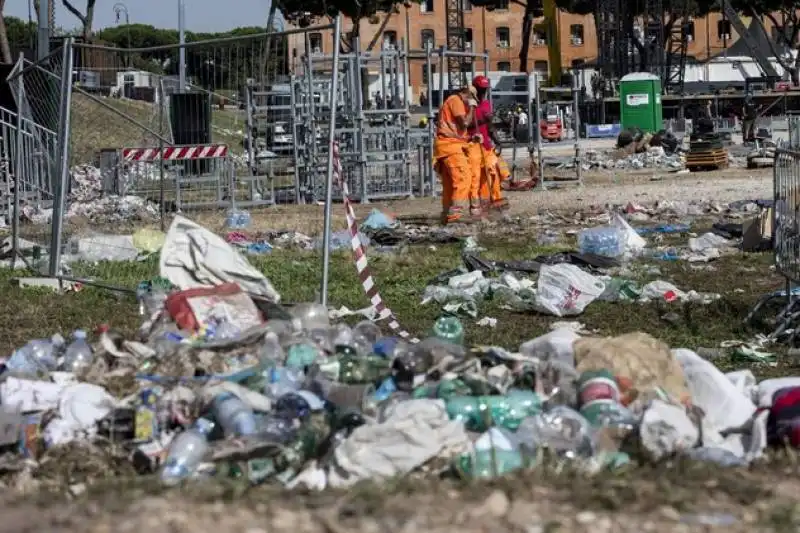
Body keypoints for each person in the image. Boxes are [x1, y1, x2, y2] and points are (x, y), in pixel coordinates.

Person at [433, 85, 483, 223]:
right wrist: (472, 107)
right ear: (466, 94)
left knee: (450, 184)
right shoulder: (456, 101)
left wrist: (471, 138)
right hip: (450, 147)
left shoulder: (453, 101)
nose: (471, 103)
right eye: (472, 99)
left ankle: (446, 216)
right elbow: (464, 123)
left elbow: (457, 131)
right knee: (463, 178)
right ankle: (455, 218)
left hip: (448, 146)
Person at [467, 75, 510, 213]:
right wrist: (482, 120)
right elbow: (465, 124)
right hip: (472, 145)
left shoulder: (486, 104)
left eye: (484, 89)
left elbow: (490, 126)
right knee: (475, 178)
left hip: (485, 146)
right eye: (481, 89)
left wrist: (497, 140)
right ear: (475, 89)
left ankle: (493, 202)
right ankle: (474, 206)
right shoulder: (468, 106)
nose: (483, 92)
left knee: (492, 175)